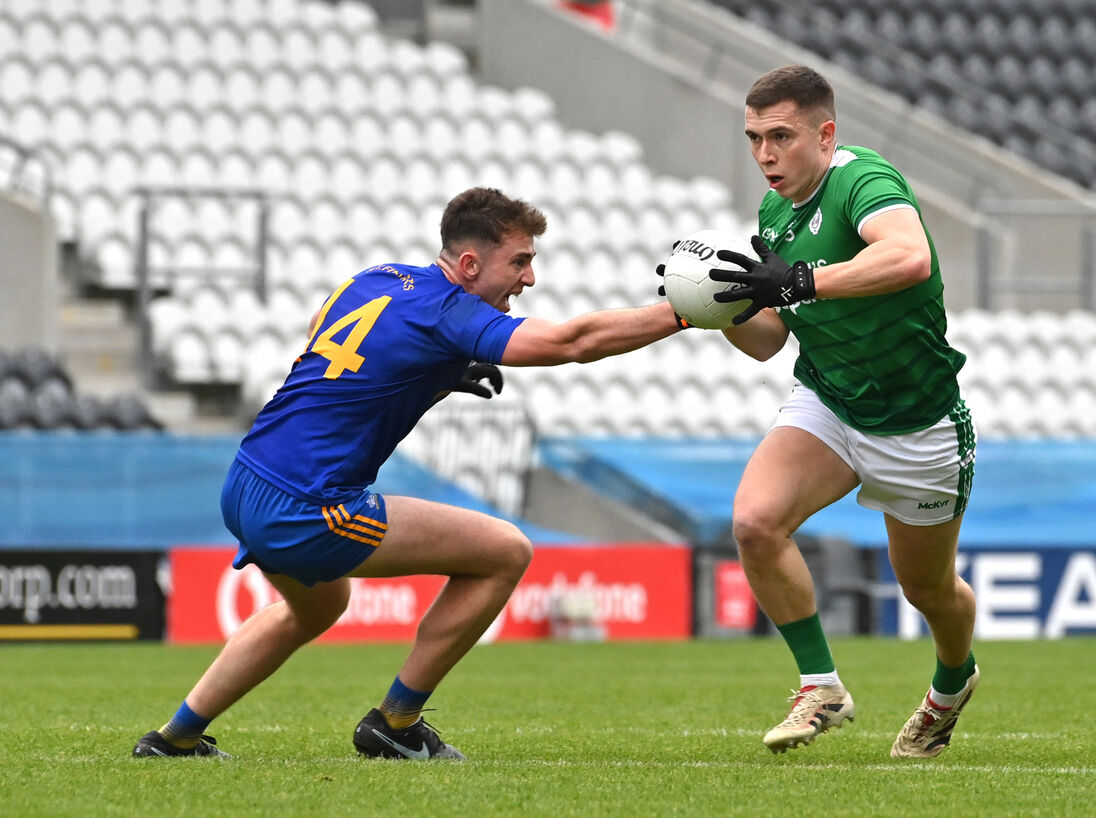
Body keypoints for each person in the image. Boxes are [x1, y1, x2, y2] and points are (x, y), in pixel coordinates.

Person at [133, 187, 686, 761]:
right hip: (309, 507)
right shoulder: (450, 313)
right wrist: (685, 311)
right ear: (469, 265)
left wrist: (431, 370)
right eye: (520, 261)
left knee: (317, 607)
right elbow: (573, 342)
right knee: (505, 551)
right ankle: (395, 724)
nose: (529, 278)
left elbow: (325, 335)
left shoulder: (377, 277)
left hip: (247, 481)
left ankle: (175, 737)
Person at [707, 65, 979, 758]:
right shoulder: (774, 214)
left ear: (826, 136)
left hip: (917, 423)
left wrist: (802, 280)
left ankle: (952, 683)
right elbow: (768, 340)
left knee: (928, 590)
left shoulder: (863, 181)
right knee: (755, 523)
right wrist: (714, 308)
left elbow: (909, 257)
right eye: (754, 138)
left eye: (781, 136)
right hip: (829, 400)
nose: (765, 154)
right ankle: (820, 685)